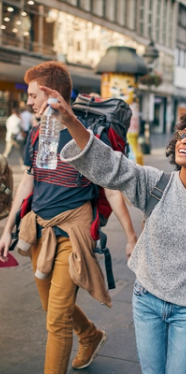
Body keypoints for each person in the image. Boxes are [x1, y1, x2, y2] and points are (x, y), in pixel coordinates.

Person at [38, 91, 186, 374]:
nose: (185, 140)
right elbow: (109, 165)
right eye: (183, 134)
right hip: (146, 299)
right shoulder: (156, 183)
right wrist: (71, 121)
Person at [0, 61, 138, 374]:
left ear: (51, 94)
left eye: (34, 95)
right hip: (38, 230)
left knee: (56, 323)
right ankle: (90, 336)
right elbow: (29, 180)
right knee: (53, 307)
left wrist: (131, 236)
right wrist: (7, 230)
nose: (29, 101)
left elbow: (112, 189)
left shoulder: (85, 138)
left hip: (73, 235)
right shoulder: (36, 133)